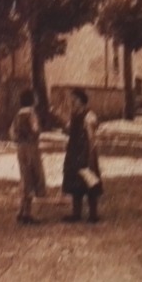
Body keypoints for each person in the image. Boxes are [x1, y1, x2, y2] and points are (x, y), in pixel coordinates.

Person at [61, 88, 104, 222]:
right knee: (75, 181)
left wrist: (91, 154)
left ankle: (93, 214)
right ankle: (76, 213)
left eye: (75, 99)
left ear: (82, 100)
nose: (72, 102)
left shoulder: (89, 115)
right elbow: (69, 131)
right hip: (74, 151)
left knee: (89, 180)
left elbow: (91, 136)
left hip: (85, 151)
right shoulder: (74, 115)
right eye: (71, 99)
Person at [10, 89, 46, 224]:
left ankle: (21, 210)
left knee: (25, 177)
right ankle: (27, 213)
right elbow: (36, 129)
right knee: (32, 176)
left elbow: (12, 133)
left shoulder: (18, 115)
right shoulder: (31, 113)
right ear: (32, 100)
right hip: (31, 147)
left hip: (20, 148)